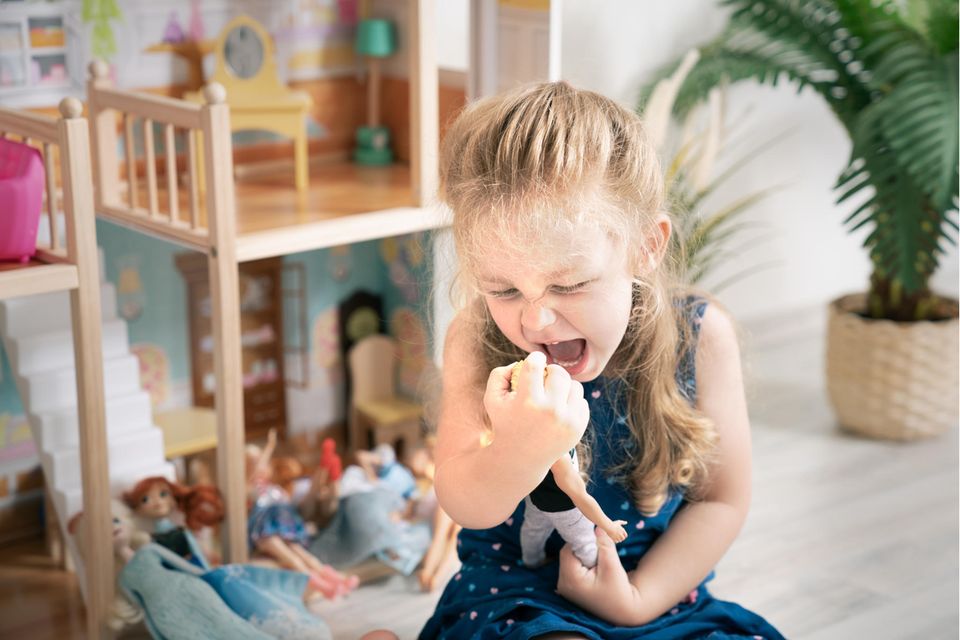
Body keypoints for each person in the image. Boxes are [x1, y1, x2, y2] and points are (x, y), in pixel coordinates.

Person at [419, 81, 785, 638]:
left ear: (646, 247)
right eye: (504, 290)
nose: (535, 320)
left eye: (568, 284)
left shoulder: (701, 336)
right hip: (516, 600)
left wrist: (639, 599)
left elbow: (722, 500)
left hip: (662, 596)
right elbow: (465, 501)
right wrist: (517, 449)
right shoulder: (476, 337)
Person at [245, 428, 359, 599]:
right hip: (264, 529)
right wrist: (269, 447)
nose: (260, 466)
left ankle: (337, 581)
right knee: (292, 558)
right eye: (253, 463)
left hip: (283, 523)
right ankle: (324, 586)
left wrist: (269, 447)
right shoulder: (249, 487)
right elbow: (256, 471)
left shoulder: (274, 486)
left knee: (304, 555)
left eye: (260, 461)